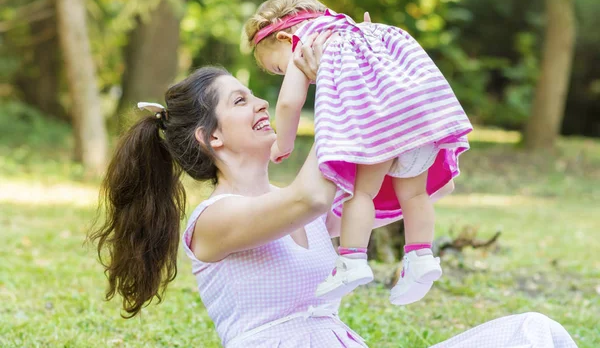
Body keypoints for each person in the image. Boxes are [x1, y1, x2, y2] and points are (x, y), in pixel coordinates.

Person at [88, 43, 576, 347]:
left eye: (254, 94)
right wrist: (340, 86)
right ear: (210, 137)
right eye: (240, 101)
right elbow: (314, 196)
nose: (261, 102)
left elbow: (397, 189)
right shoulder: (215, 222)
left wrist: (376, 65)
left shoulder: (304, 210)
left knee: (532, 332)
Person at [243, 0, 473, 304]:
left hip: (379, 128)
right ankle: (421, 259)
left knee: (361, 194)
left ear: (285, 37)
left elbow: (288, 103)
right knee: (415, 195)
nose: (286, 73)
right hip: (419, 125)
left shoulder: (309, 41)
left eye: (279, 68)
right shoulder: (358, 30)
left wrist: (282, 143)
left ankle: (351, 261)